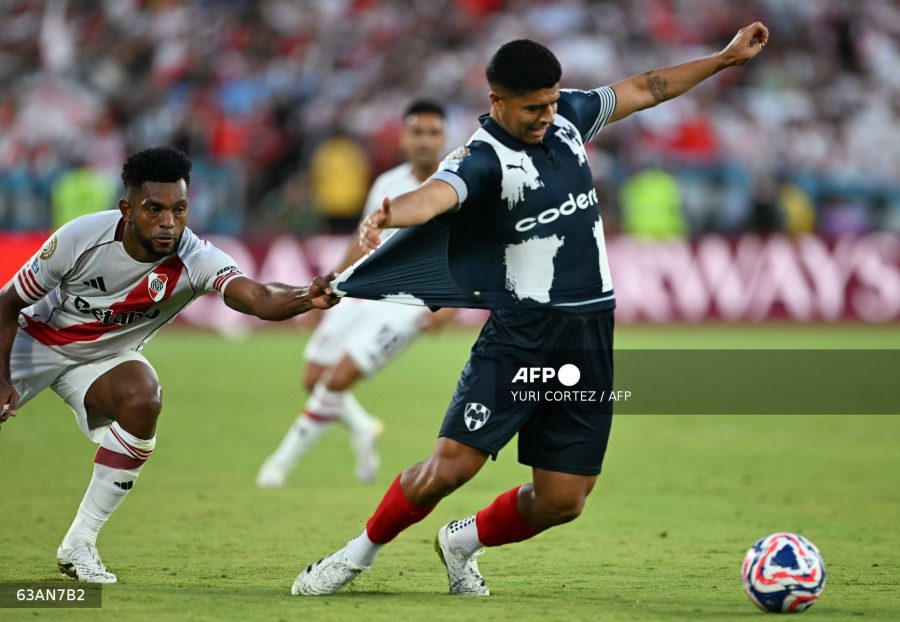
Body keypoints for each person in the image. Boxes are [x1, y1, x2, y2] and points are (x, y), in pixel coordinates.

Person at [291, 23, 768, 597]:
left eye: (550, 102)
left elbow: (646, 88)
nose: (546, 116)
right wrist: (393, 212)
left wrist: (721, 59)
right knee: (450, 469)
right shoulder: (482, 158)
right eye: (532, 108)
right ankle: (354, 556)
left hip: (589, 334)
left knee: (564, 501)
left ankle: (461, 542)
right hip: (522, 336)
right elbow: (437, 195)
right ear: (497, 101)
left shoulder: (567, 115)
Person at [0, 146, 338, 584]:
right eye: (154, 209)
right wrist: (2, 377)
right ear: (127, 209)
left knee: (144, 397)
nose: (168, 222)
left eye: (179, 209)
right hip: (31, 341)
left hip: (101, 358)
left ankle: (79, 544)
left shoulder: (194, 258)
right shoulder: (80, 238)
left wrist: (303, 297)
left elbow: (257, 297)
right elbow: (7, 304)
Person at [256, 100, 456, 487]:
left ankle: (280, 464)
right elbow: (364, 241)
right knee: (313, 376)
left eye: (434, 133)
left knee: (338, 379)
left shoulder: (456, 186)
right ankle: (363, 428)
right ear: (403, 136)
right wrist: (329, 286)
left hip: (411, 304)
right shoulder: (387, 184)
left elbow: (472, 252)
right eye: (418, 132)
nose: (425, 141)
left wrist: (448, 309)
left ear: (445, 138)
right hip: (367, 290)